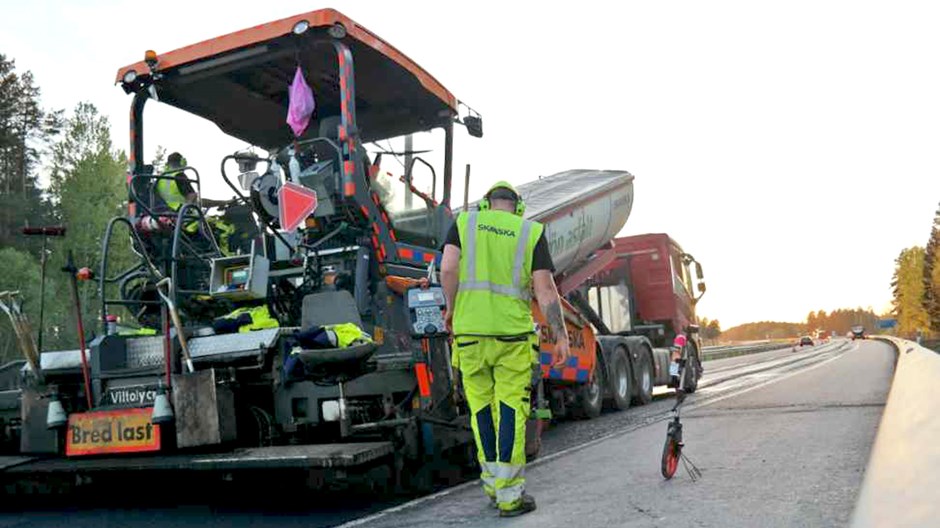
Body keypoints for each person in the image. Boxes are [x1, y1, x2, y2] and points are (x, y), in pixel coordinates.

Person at [440, 181, 570, 518]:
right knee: (511, 411)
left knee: (481, 410)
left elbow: (448, 268)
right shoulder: (529, 232)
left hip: (469, 334)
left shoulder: (465, 223)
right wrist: (561, 336)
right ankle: (510, 495)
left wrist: (451, 309)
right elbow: (545, 290)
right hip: (512, 337)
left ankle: (491, 484)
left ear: (486, 204)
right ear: (518, 207)